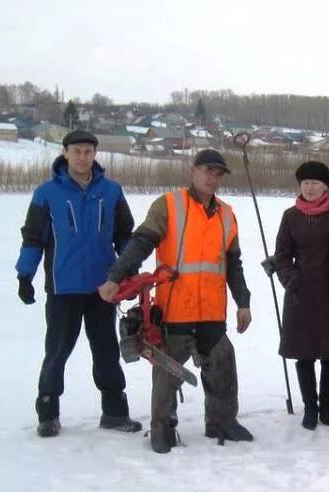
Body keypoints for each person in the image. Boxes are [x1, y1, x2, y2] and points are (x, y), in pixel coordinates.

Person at [99, 149, 253, 454]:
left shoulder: (226, 214)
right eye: (208, 170)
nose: (213, 178)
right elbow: (141, 242)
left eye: (218, 173)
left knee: (222, 362)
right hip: (175, 308)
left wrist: (243, 302)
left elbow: (233, 263)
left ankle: (221, 421)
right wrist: (116, 275)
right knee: (168, 370)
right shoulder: (169, 205)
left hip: (211, 309)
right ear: (192, 170)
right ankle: (162, 427)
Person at [16, 129, 141, 438]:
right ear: (65, 152)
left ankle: (114, 412)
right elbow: (33, 237)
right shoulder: (47, 193)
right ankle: (48, 412)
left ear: (95, 154)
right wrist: (25, 275)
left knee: (106, 350)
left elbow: (126, 234)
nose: (83, 157)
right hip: (63, 288)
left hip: (103, 286)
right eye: (77, 151)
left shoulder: (111, 191)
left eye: (88, 151)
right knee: (57, 351)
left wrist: (128, 270)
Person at [271, 161, 329, 430]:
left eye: (315, 182)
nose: (310, 187)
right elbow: (282, 255)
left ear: (326, 186)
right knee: (304, 354)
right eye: (305, 183)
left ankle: (327, 409)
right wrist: (290, 278)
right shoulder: (290, 216)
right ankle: (310, 409)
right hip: (300, 292)